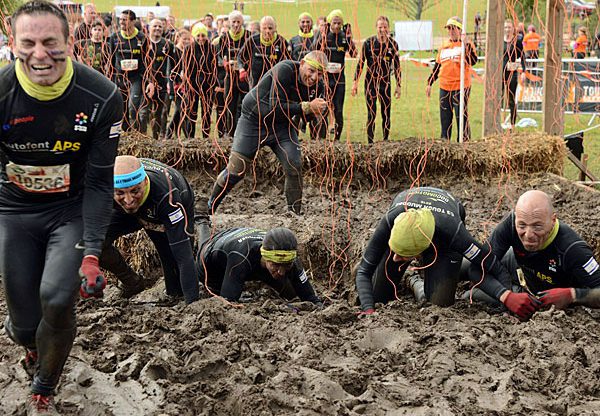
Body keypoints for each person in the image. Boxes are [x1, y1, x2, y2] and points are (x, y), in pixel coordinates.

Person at [0, 1, 122, 412]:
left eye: (51, 43)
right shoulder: (2, 93)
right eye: (29, 43)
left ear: (70, 43)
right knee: (22, 328)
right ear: (12, 43)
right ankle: (30, 346)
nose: (39, 54)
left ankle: (45, 384)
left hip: (68, 212)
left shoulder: (102, 95)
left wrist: (91, 253)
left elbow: (100, 181)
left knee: (56, 298)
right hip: (14, 212)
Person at [355, 187, 512, 314]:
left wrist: (507, 300)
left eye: (403, 255)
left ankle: (418, 281)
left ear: (420, 252)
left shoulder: (455, 235)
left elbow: (495, 266)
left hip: (443, 240)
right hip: (408, 213)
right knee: (377, 297)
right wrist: (368, 310)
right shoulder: (391, 221)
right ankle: (412, 277)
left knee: (439, 307)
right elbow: (364, 271)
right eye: (394, 251)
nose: (395, 258)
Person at [207, 51, 328, 215]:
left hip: (281, 125)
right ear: (301, 64)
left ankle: (294, 215)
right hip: (254, 120)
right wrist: (306, 106)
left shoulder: (318, 86)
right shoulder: (285, 69)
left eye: (320, 74)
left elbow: (305, 115)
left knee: (294, 165)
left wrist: (318, 111)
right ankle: (209, 206)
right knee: (237, 170)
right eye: (311, 71)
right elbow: (275, 105)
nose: (314, 77)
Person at [468, 190, 600, 320]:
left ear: (553, 220)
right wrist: (506, 296)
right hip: (516, 265)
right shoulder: (510, 224)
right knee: (463, 264)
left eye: (537, 226)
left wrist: (572, 295)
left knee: (469, 296)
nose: (529, 235)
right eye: (522, 225)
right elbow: (475, 268)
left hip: (535, 296)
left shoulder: (573, 249)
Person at [100, 156, 202, 304]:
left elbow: (184, 256)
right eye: (120, 193)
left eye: (135, 191)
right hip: (133, 209)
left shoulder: (167, 198)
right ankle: (132, 282)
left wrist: (193, 306)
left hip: (164, 201)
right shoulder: (102, 191)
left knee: (173, 264)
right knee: (95, 242)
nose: (128, 200)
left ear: (145, 182)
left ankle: (179, 293)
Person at [197, 227, 321, 306]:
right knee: (226, 295)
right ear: (265, 256)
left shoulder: (288, 256)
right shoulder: (241, 257)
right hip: (210, 261)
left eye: (286, 266)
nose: (281, 272)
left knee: (291, 294)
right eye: (276, 265)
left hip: (242, 241)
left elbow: (310, 297)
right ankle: (201, 222)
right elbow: (228, 302)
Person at [426, 16, 477, 141]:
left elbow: (473, 61)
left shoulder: (466, 44)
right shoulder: (443, 46)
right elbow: (437, 67)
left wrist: (466, 45)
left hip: (461, 87)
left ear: (460, 29)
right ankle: (445, 144)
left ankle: (464, 144)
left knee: (461, 118)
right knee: (445, 119)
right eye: (449, 28)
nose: (451, 31)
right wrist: (429, 83)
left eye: (453, 28)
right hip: (444, 87)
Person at [351, 16, 401, 143]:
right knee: (371, 113)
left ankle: (385, 140)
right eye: (380, 27)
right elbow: (361, 63)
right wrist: (355, 83)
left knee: (386, 114)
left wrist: (398, 85)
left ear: (388, 28)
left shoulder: (393, 45)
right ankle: (370, 143)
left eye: (385, 27)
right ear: (376, 28)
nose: (382, 30)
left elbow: (397, 66)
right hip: (370, 83)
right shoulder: (368, 43)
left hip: (385, 83)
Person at [312, 9, 357, 141]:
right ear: (329, 23)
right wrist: (322, 35)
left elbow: (354, 54)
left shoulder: (343, 37)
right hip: (325, 79)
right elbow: (314, 50)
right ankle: (322, 139)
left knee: (338, 111)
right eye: (334, 23)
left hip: (339, 80)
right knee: (324, 110)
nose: (336, 26)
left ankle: (336, 140)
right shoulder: (325, 35)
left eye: (339, 23)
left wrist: (349, 38)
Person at [107, 9, 154, 133]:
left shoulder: (142, 38)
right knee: (123, 110)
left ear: (133, 21)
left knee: (133, 107)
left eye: (125, 20)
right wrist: (110, 79)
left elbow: (147, 61)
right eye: (120, 19)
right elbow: (111, 59)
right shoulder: (114, 37)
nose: (121, 22)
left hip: (136, 78)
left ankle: (137, 133)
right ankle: (127, 135)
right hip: (120, 78)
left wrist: (149, 81)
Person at [218, 10, 250, 138]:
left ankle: (245, 132)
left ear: (242, 22)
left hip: (244, 77)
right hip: (230, 76)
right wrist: (224, 63)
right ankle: (230, 133)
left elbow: (251, 54)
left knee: (246, 105)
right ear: (229, 23)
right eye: (234, 22)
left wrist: (246, 67)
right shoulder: (224, 38)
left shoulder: (248, 36)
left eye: (238, 21)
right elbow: (219, 57)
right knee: (229, 105)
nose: (236, 24)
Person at [238, 15, 289, 88]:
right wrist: (242, 69)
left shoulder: (281, 42)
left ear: (275, 28)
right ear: (260, 29)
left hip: (274, 84)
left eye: (270, 28)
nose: (267, 31)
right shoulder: (252, 41)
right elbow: (240, 56)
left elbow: (289, 61)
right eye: (264, 28)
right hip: (255, 84)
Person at [146, 18, 174, 140]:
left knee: (161, 112)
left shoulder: (168, 44)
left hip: (163, 82)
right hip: (146, 83)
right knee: (145, 112)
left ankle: (158, 136)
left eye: (160, 27)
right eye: (155, 26)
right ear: (149, 28)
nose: (157, 28)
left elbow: (174, 63)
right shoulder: (144, 43)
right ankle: (143, 135)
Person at [188, 23, 217, 139]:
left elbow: (214, 67)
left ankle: (205, 137)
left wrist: (213, 84)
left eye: (203, 35)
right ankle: (190, 137)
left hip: (207, 86)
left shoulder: (211, 49)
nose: (201, 38)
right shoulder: (188, 49)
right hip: (193, 85)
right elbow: (186, 69)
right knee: (192, 112)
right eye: (198, 35)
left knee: (206, 113)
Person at [502, 20, 526, 129]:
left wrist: (524, 71)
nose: (507, 29)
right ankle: (497, 121)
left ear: (513, 29)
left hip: (512, 72)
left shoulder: (517, 41)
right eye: (505, 27)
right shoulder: (500, 41)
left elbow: (522, 57)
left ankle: (512, 124)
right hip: (500, 73)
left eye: (509, 27)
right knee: (498, 98)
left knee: (511, 98)